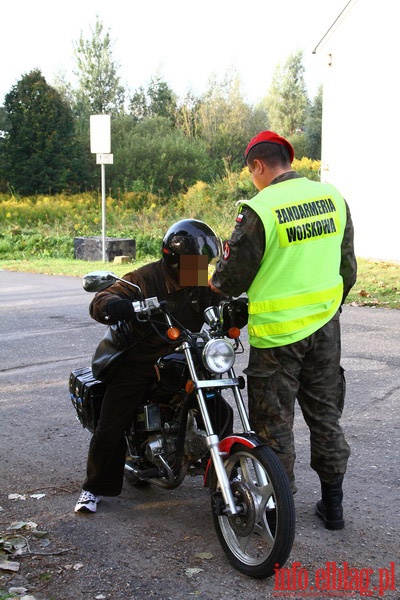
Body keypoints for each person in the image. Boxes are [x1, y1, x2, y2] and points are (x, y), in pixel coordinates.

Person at [209, 130, 357, 530]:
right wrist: (325, 310)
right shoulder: (332, 198)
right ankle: (333, 506)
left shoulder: (261, 208)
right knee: (325, 416)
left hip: (277, 339)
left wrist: (213, 282)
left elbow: (231, 279)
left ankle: (278, 514)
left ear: (258, 165)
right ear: (287, 161)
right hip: (326, 329)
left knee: (275, 427)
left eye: (250, 171)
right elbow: (348, 270)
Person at [75, 219, 223, 514]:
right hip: (140, 361)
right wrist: (115, 306)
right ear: (173, 259)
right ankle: (93, 488)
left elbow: (218, 302)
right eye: (195, 262)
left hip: (183, 359)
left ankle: (222, 477)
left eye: (205, 262)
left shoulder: (198, 281)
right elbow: (104, 297)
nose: (200, 269)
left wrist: (235, 311)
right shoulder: (144, 278)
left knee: (220, 412)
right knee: (112, 424)